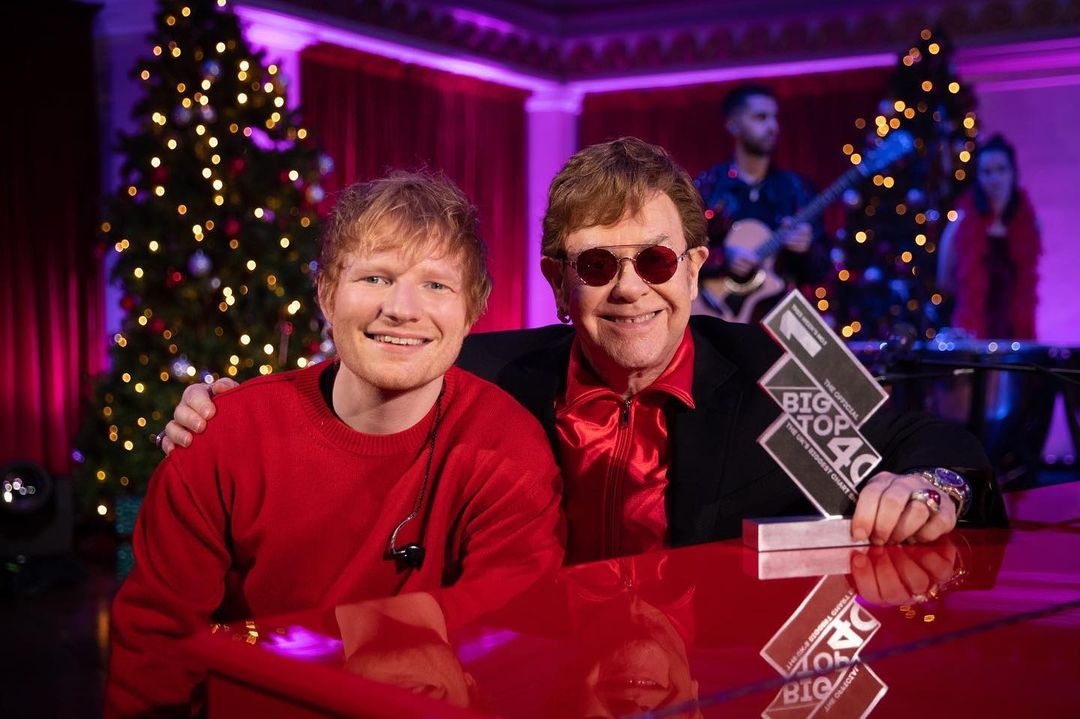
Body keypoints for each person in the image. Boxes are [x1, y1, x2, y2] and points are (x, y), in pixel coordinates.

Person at [163, 138, 1003, 569]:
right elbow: (366, 379)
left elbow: (938, 443)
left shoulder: (777, 365)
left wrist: (931, 484)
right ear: (558, 280)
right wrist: (228, 408)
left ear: (697, 266)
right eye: (599, 264)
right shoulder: (486, 374)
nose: (632, 288)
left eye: (658, 259)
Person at [106, 172, 565, 716]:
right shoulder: (221, 436)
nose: (402, 308)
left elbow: (508, 629)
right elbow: (156, 647)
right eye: (374, 277)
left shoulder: (508, 448)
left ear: (473, 310)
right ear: (326, 292)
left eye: (437, 284)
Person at [692, 84, 825, 323]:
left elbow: (819, 271)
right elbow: (682, 253)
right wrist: (722, 258)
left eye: (775, 118)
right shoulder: (709, 188)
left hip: (783, 318)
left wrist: (807, 249)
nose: (772, 127)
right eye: (761, 117)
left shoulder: (796, 189)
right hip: (718, 315)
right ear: (733, 125)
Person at [937, 134, 1041, 339]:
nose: (995, 179)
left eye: (1001, 170)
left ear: (1013, 173)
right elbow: (945, 280)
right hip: (972, 335)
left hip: (1016, 334)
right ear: (978, 177)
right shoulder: (961, 221)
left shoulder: (1030, 224)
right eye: (987, 172)